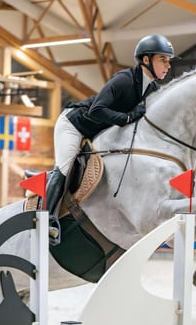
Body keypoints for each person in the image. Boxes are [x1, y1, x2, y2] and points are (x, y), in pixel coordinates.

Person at [45, 34, 177, 218]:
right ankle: (45, 219)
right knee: (64, 169)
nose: (168, 65)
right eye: (163, 59)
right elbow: (96, 111)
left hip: (99, 132)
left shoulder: (153, 89)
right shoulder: (124, 79)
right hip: (75, 125)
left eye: (168, 60)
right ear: (146, 60)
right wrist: (128, 117)